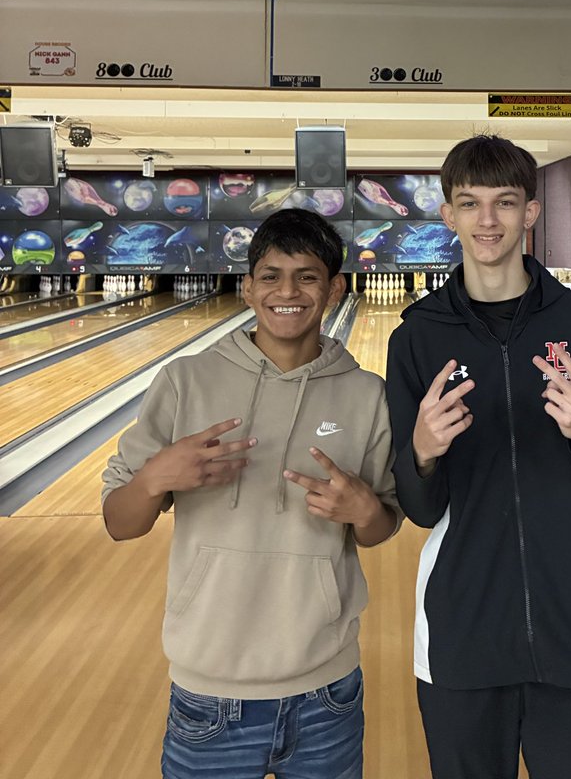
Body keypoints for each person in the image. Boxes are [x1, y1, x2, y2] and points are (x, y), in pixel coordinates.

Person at [384, 133, 571, 779]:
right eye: (470, 204)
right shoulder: (417, 337)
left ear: (531, 212)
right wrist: (420, 453)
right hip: (463, 638)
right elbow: (420, 510)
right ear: (447, 213)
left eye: (505, 203)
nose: (488, 221)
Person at [101, 208, 401, 779]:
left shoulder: (367, 395)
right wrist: (155, 477)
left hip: (327, 692)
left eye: (307, 276)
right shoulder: (184, 381)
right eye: (270, 275)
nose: (287, 291)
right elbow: (120, 522)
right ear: (246, 287)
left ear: (336, 288)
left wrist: (365, 511)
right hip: (208, 695)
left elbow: (383, 524)